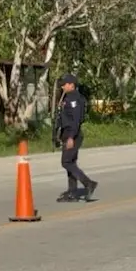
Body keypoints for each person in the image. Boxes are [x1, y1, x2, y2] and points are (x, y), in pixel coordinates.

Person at [52, 74, 98, 202]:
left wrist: (71, 137)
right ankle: (72, 192)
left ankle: (88, 183)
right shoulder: (66, 98)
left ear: (72, 85)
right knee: (70, 163)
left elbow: (76, 120)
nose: (62, 86)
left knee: (66, 162)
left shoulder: (75, 99)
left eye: (64, 84)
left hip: (73, 134)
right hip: (66, 133)